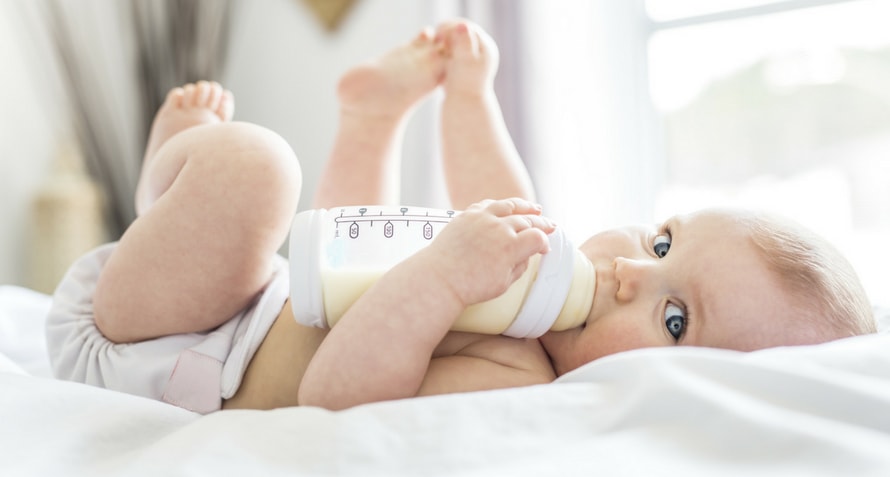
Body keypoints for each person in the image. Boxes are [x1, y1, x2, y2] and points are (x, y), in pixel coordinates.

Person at [46, 20, 876, 413]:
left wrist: (443, 277)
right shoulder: (541, 300)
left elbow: (334, 391)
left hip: (160, 355)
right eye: (662, 241)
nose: (632, 269)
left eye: (674, 314)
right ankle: (367, 122)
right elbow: (496, 190)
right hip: (246, 299)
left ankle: (170, 183)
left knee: (259, 170)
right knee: (341, 228)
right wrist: (472, 96)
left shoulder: (516, 379)